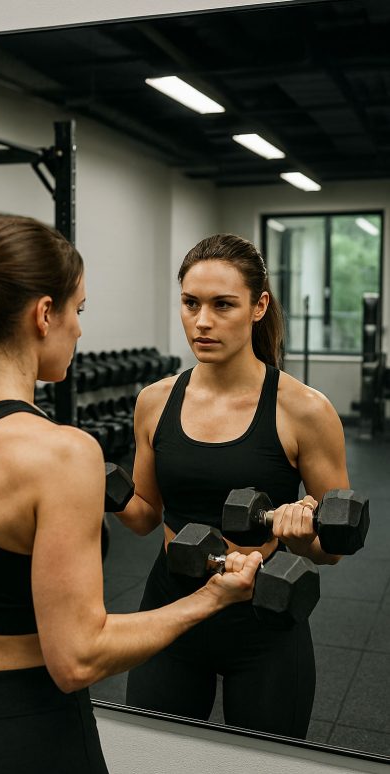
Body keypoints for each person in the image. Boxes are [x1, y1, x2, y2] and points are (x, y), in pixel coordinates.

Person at [0, 216, 263, 774]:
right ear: (43, 314)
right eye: (78, 310)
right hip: (22, 734)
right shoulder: (61, 452)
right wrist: (211, 598)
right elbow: (78, 658)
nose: (80, 330)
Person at [119, 233, 350, 739]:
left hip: (265, 614)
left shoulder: (305, 409)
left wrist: (295, 533)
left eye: (223, 305)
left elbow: (332, 549)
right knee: (153, 757)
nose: (202, 321)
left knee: (268, 763)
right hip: (173, 605)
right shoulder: (154, 401)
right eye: (191, 303)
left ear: (258, 306)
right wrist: (99, 488)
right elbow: (142, 516)